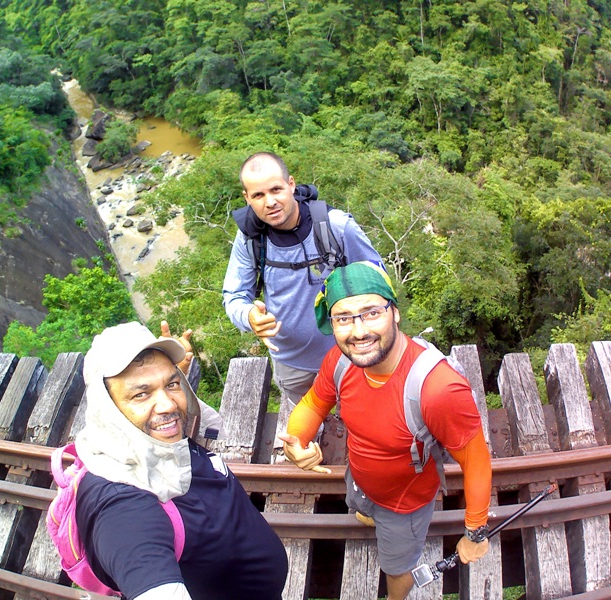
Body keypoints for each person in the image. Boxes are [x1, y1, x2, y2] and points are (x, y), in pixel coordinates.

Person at [277, 262, 492, 600]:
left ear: (395, 313)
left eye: (371, 312)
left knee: (397, 566)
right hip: (359, 476)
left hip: (405, 502)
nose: (358, 331)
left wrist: (475, 532)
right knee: (361, 506)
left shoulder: (438, 388)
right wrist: (297, 440)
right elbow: (314, 403)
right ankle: (368, 513)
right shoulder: (341, 360)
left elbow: (476, 461)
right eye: (343, 318)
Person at [75, 322, 288, 600]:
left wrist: (170, 380)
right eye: (141, 393)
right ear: (107, 407)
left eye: (171, 384)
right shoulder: (122, 505)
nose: (168, 405)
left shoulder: (150, 441)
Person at [223, 152, 382, 407]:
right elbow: (234, 296)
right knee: (311, 424)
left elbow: (377, 279)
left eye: (276, 189)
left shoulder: (336, 226)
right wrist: (249, 316)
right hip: (290, 363)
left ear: (291, 184)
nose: (270, 202)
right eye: (258, 195)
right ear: (247, 198)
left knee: (360, 417)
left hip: (350, 354)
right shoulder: (251, 240)